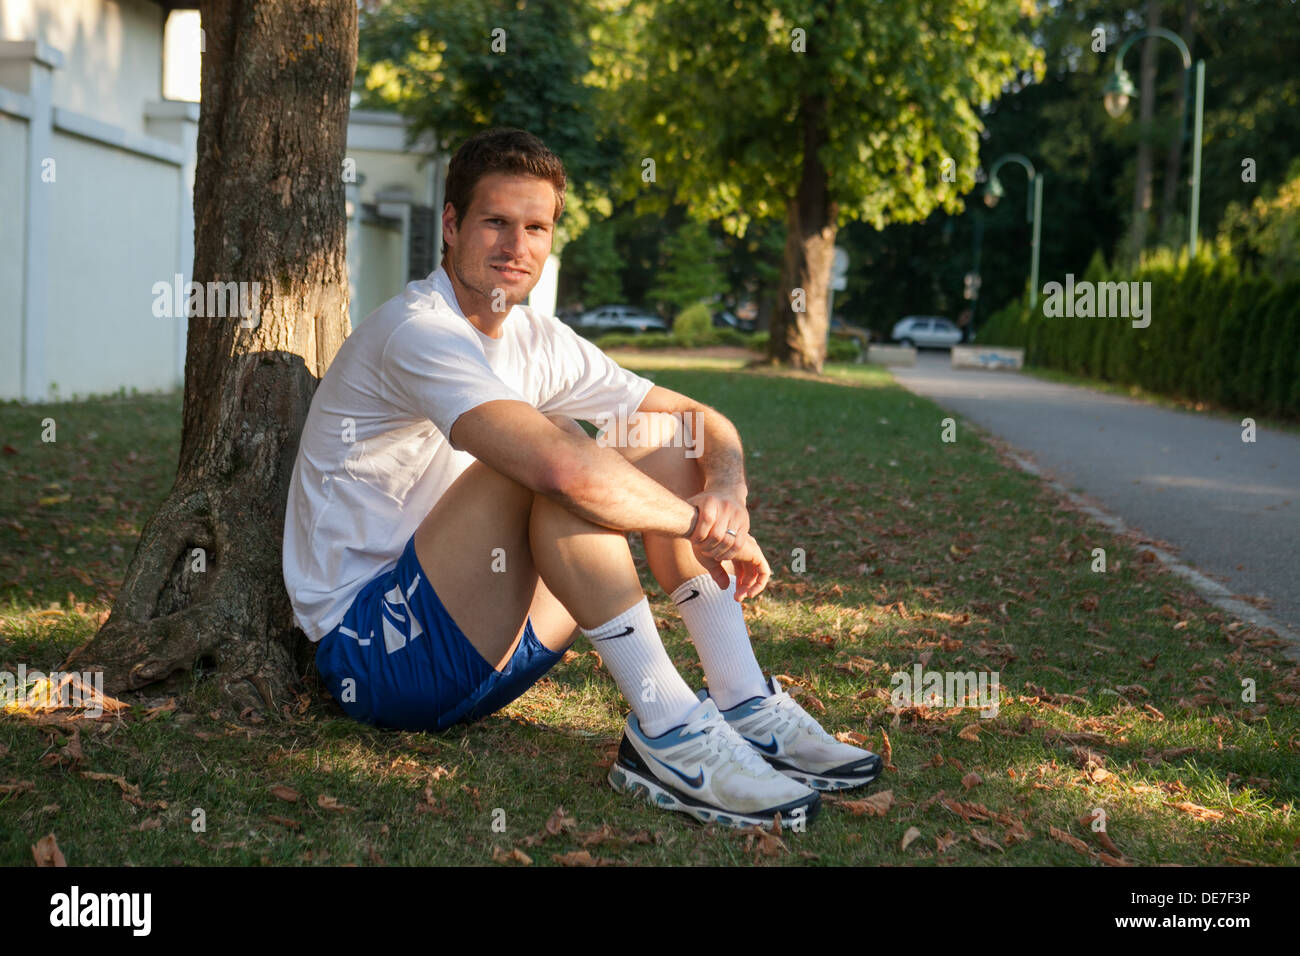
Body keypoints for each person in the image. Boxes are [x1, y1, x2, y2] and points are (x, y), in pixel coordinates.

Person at [282, 127, 880, 829]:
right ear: (450, 225)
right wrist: (700, 529)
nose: (516, 246)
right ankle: (670, 730)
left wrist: (727, 494)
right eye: (495, 222)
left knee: (654, 433)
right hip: (377, 655)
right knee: (557, 456)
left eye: (536, 227)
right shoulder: (418, 330)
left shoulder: (538, 337)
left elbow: (699, 420)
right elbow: (561, 469)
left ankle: (743, 698)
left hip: (493, 650)